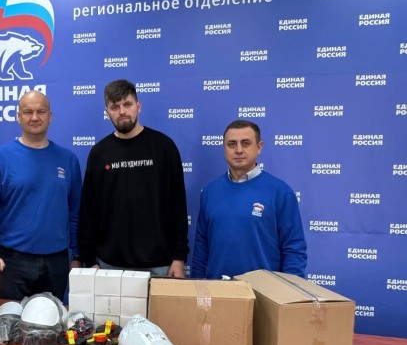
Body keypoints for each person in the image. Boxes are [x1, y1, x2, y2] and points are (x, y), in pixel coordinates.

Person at [0, 90, 81, 301]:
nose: (35, 117)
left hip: (56, 264)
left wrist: (77, 255)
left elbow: (76, 212)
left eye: (41, 111)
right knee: (9, 320)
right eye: (28, 112)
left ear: (50, 116)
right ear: (18, 116)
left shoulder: (68, 159)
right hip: (12, 263)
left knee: (51, 321)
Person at [77, 79, 189, 277]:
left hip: (159, 264)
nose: (122, 111)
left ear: (138, 106)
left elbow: (178, 206)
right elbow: (88, 211)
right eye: (115, 107)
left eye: (127, 104)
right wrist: (90, 260)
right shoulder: (99, 153)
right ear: (107, 112)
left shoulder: (164, 147)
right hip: (109, 265)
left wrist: (179, 257)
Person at [191, 119, 307, 279]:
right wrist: (198, 282)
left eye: (245, 143)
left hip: (264, 291)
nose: (238, 150)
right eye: (232, 144)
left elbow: (293, 248)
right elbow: (202, 244)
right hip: (217, 289)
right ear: (224, 148)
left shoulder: (280, 192)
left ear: (259, 147)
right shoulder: (210, 192)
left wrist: (290, 288)